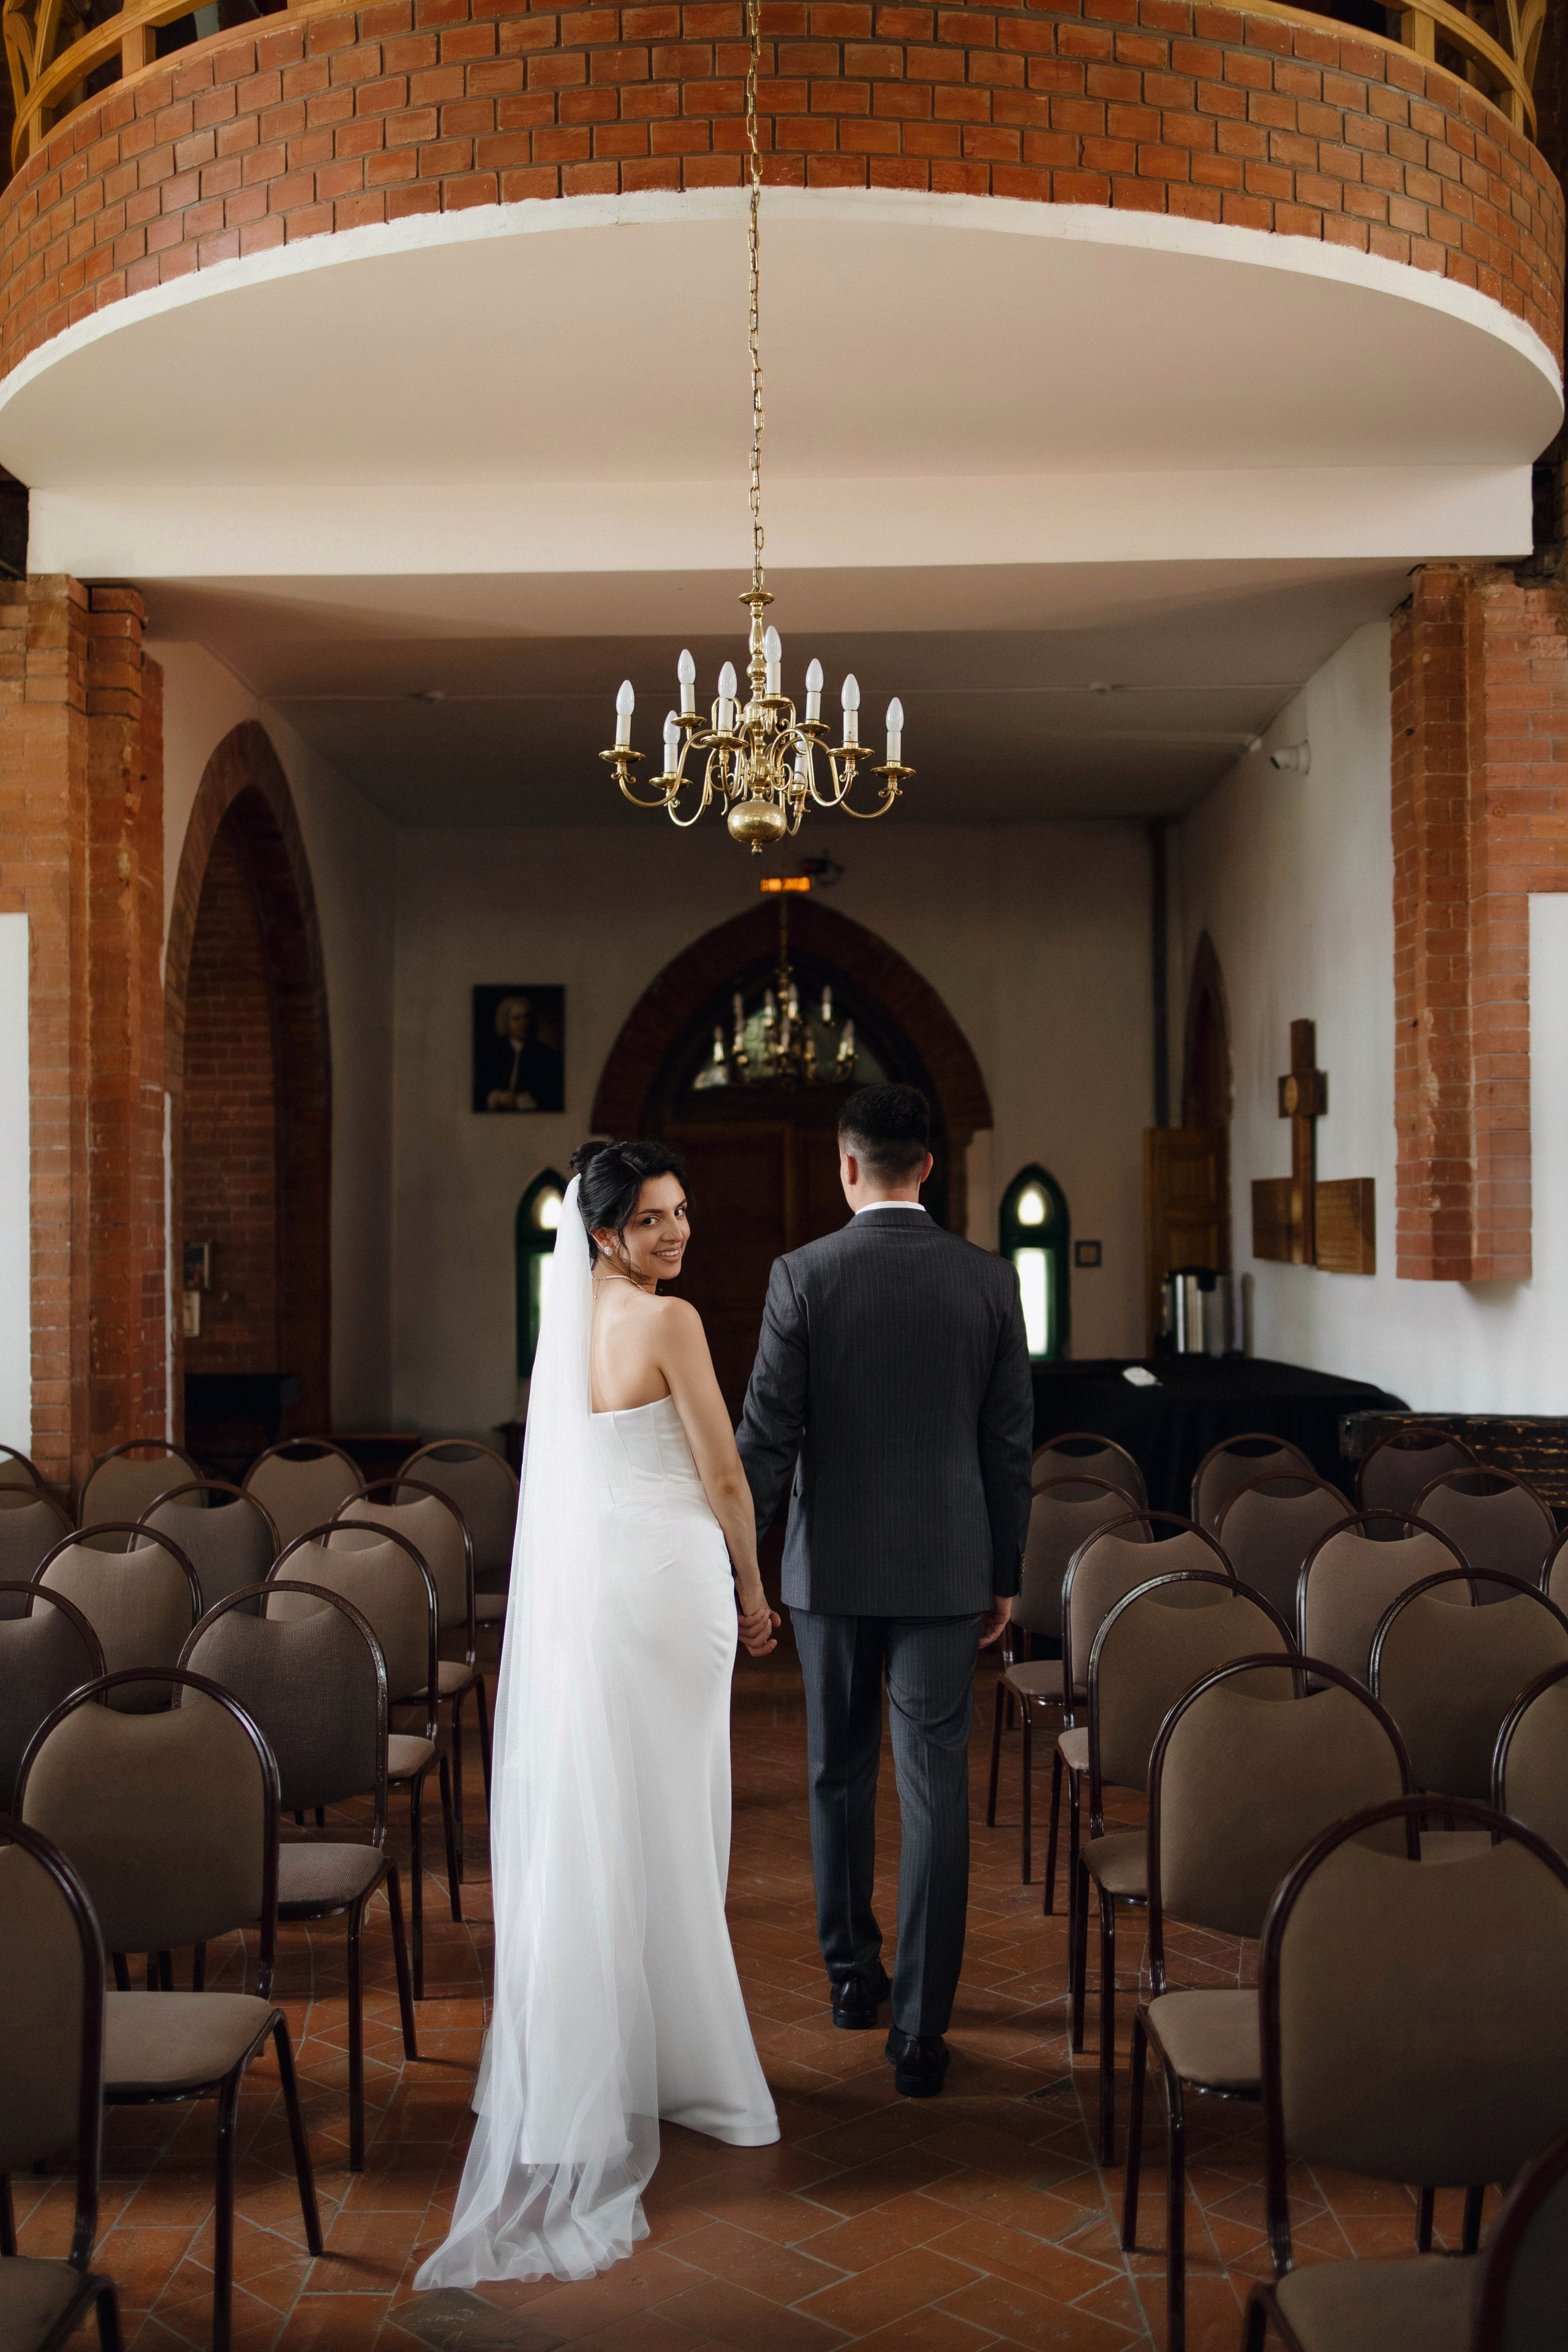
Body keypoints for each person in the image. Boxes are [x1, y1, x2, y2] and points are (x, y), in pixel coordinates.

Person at [415, 1140, 779, 2291]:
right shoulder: (671, 1324)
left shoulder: (567, 1319)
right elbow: (726, 1476)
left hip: (596, 1592)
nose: (677, 1234)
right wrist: (756, 1590)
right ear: (607, 1231)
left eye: (682, 1212)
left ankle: (614, 2064)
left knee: (613, 1819)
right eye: (654, 1219)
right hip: (672, 1583)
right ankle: (695, 2073)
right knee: (677, 1821)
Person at [736, 1084, 1033, 2100]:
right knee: (934, 1787)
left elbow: (766, 1437)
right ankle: (920, 2031)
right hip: (948, 1566)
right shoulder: (988, 1280)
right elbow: (1009, 1443)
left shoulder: (803, 1275)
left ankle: (852, 1980)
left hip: (828, 1569)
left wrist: (742, 1569)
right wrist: (1003, 1573)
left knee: (838, 1771)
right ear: (929, 1167)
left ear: (848, 1165)